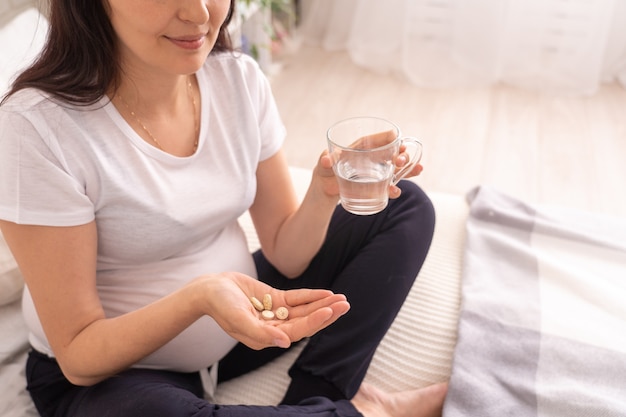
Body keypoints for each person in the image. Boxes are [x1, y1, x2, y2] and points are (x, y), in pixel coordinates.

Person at [0, 1, 447, 416]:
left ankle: (320, 395)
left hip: (241, 321)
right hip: (108, 373)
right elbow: (78, 355)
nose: (199, 13)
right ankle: (366, 412)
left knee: (404, 207)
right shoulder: (36, 129)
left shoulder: (238, 79)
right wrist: (200, 298)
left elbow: (286, 255)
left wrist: (323, 193)